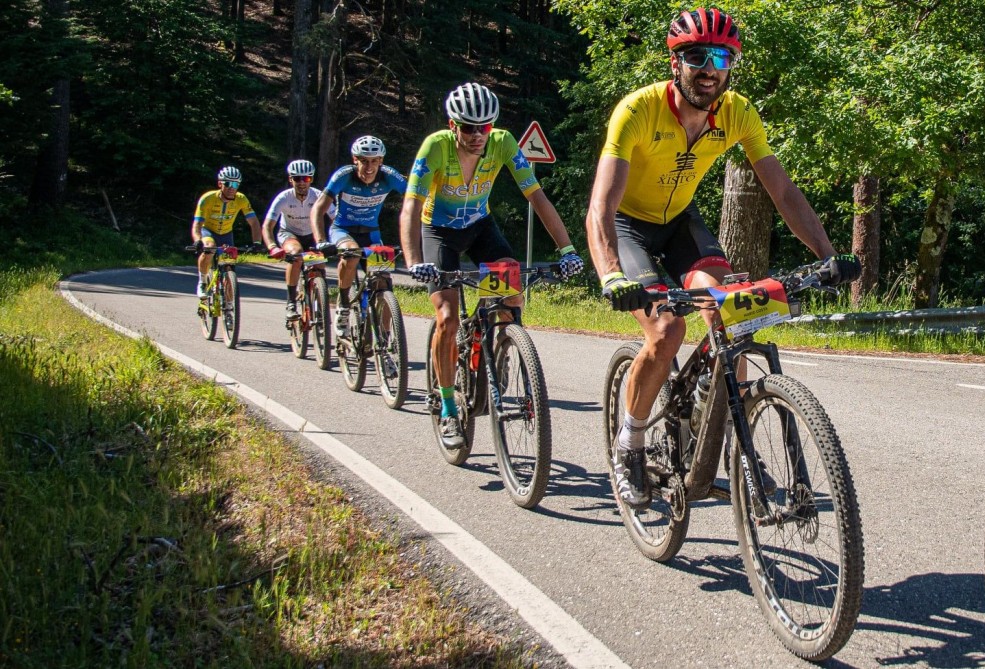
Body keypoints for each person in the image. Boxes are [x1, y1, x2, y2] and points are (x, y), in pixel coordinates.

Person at [585, 8, 861, 508]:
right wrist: (609, 274)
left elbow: (782, 191)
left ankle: (719, 445)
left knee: (730, 314)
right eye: (696, 55)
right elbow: (600, 207)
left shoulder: (737, 111)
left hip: (680, 225)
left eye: (721, 56)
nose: (709, 68)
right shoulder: (638, 110)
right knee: (668, 331)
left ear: (731, 64)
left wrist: (828, 256)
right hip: (628, 227)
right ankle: (630, 441)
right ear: (676, 63)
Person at [400, 82, 585, 449]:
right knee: (447, 318)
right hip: (438, 231)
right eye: (468, 127)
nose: (476, 135)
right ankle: (449, 407)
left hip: (480, 227)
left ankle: (501, 346)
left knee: (511, 288)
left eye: (483, 127)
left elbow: (537, 197)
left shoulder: (502, 142)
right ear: (454, 126)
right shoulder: (435, 147)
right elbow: (409, 207)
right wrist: (414, 262)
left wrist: (568, 250)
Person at [310, 135, 407, 337]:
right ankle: (344, 305)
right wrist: (320, 240)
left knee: (383, 281)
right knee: (351, 254)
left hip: (371, 233)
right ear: (355, 160)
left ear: (381, 161)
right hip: (342, 230)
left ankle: (387, 339)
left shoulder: (389, 176)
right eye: (363, 161)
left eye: (374, 161)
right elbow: (318, 209)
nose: (368, 167)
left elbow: (416, 201)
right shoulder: (344, 175)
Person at [262, 160, 336, 320]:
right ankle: (291, 302)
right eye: (297, 179)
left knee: (318, 262)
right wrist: (272, 247)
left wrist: (339, 239)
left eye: (306, 179)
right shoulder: (283, 198)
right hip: (289, 233)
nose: (302, 182)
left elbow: (336, 219)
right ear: (290, 180)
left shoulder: (319, 196)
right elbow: (267, 225)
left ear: (311, 179)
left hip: (311, 235)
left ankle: (320, 299)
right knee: (296, 255)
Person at [191, 166, 263, 298]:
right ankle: (202, 282)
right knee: (209, 248)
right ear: (220, 184)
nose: (232, 188)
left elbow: (254, 222)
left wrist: (257, 242)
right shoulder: (207, 198)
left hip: (226, 233)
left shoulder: (241, 199)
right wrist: (197, 240)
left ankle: (229, 306)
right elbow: (197, 224)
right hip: (208, 231)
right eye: (228, 183)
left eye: (235, 184)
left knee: (229, 265)